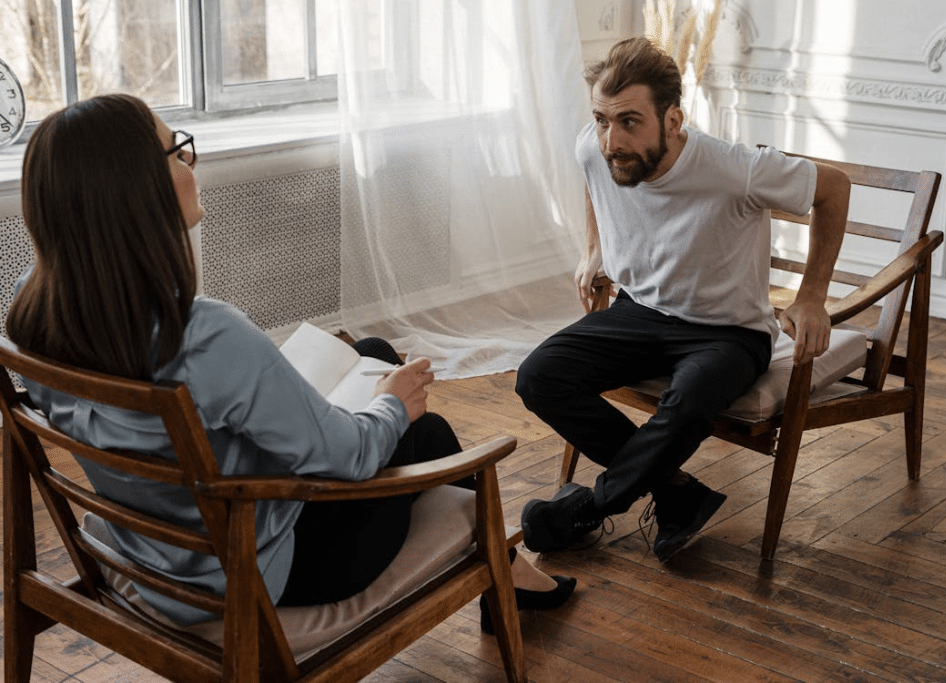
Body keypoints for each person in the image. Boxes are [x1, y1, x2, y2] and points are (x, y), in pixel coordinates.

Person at [6, 93, 574, 633]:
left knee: (372, 353)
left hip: (152, 551)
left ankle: (504, 573)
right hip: (266, 570)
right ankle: (502, 571)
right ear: (137, 191)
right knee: (425, 428)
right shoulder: (203, 335)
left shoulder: (35, 323)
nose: (188, 160)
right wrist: (395, 409)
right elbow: (349, 458)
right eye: (176, 149)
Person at [516, 38, 850, 562]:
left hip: (729, 333)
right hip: (639, 311)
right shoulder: (596, 145)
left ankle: (588, 509)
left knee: (688, 401)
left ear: (674, 120)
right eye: (602, 120)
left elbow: (834, 188)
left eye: (630, 122)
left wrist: (811, 296)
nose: (611, 141)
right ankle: (676, 492)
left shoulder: (734, 167)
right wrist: (593, 248)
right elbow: (593, 174)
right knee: (538, 376)